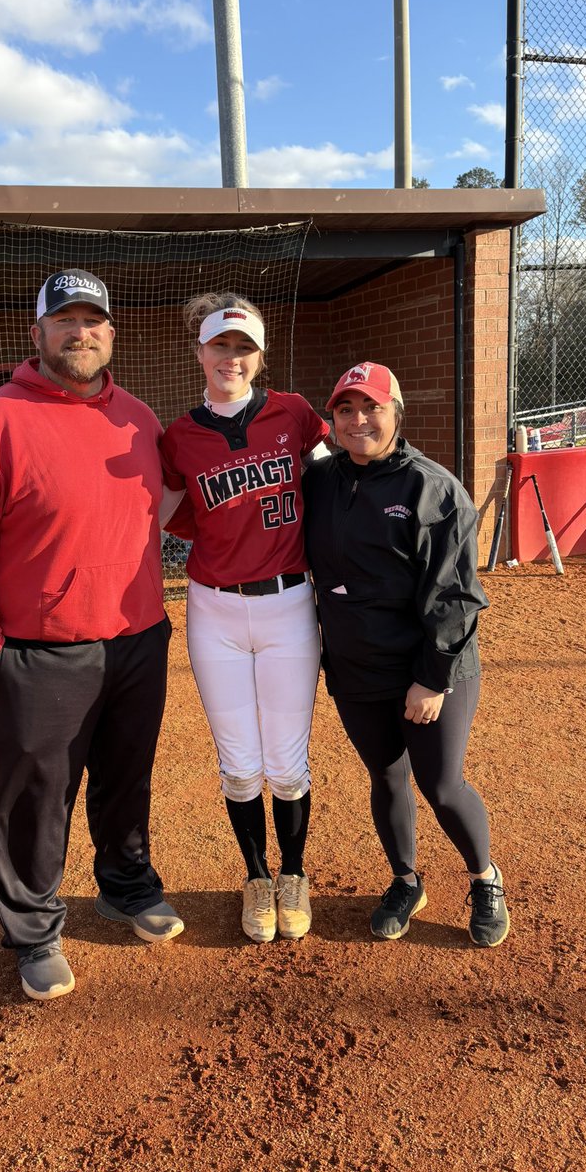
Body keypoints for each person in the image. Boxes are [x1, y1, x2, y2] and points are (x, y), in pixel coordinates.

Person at [0, 268, 184, 1002]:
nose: (81, 333)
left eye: (93, 321)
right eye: (65, 321)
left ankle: (126, 885)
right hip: (41, 650)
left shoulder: (138, 418)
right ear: (36, 334)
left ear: (112, 332)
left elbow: (175, 506)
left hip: (137, 636)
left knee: (126, 777)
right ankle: (33, 930)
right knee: (37, 793)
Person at [302, 362, 510, 948]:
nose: (359, 419)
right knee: (386, 774)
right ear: (333, 420)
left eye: (371, 407)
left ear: (396, 412)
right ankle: (405, 879)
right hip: (355, 665)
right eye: (346, 409)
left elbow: (457, 597)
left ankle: (484, 877)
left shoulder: (434, 488)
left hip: (428, 667)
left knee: (441, 784)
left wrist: (431, 679)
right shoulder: (320, 480)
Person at [160, 294, 329, 943]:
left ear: (260, 356)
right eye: (220, 345)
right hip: (214, 610)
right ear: (201, 352)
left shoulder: (295, 415)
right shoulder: (180, 436)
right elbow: (157, 510)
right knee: (238, 766)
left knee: (287, 766)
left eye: (243, 347)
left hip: (289, 605)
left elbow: (338, 489)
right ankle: (256, 876)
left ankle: (294, 874)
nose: (231, 358)